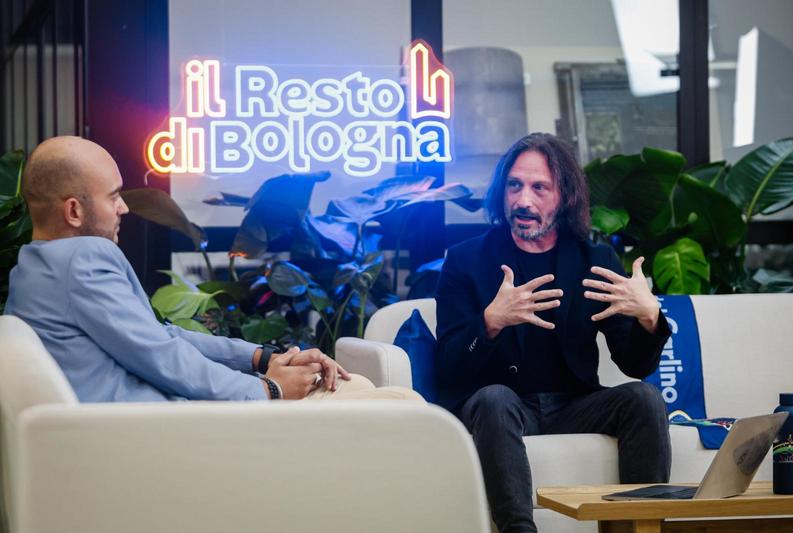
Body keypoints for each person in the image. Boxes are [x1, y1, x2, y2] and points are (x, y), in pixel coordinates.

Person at [5, 135, 418, 403]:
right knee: (391, 401)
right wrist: (270, 389)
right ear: (74, 211)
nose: (124, 207)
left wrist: (262, 357)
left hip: (144, 429)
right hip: (164, 435)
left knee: (378, 396)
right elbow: (162, 356)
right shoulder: (84, 258)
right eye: (113, 196)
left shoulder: (32, 266)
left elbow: (157, 337)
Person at [435, 133, 672, 532]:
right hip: (501, 409)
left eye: (539, 188)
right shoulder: (465, 261)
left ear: (564, 197)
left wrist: (649, 317)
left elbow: (634, 365)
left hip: (573, 404)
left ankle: (640, 525)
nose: (523, 201)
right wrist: (490, 322)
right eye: (514, 186)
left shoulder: (593, 260)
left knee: (643, 398)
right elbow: (449, 367)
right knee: (495, 398)